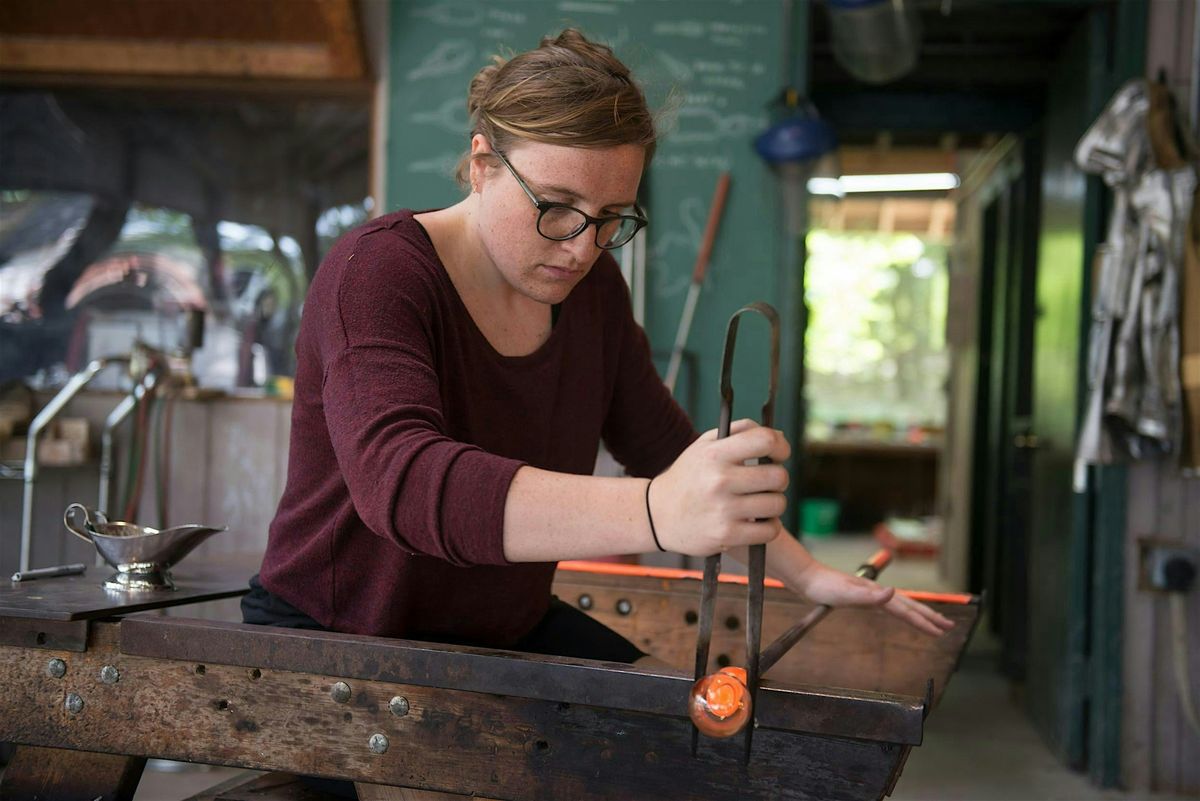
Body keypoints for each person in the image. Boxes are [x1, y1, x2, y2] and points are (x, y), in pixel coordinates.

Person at [242, 28, 953, 799]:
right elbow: (405, 485)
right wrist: (655, 510)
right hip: (340, 638)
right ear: (483, 164)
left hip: (500, 632)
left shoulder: (591, 294)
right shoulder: (376, 272)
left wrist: (805, 572)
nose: (584, 247)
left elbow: (663, 445)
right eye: (557, 208)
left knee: (700, 750)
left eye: (613, 216)